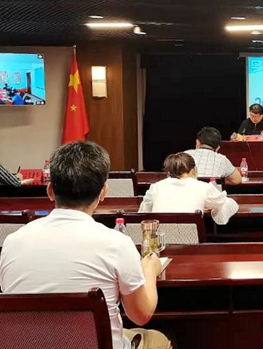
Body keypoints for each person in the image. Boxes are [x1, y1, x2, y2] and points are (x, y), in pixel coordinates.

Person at [0, 141, 171, 349]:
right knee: (157, 339)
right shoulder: (116, 244)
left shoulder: (12, 243)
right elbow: (141, 315)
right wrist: (150, 270)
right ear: (103, 193)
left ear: (50, 191)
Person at [139, 153, 238, 225]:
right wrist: (212, 209)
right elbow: (226, 204)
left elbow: (144, 213)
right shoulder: (203, 187)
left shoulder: (156, 187)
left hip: (159, 242)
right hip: (191, 243)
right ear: (194, 169)